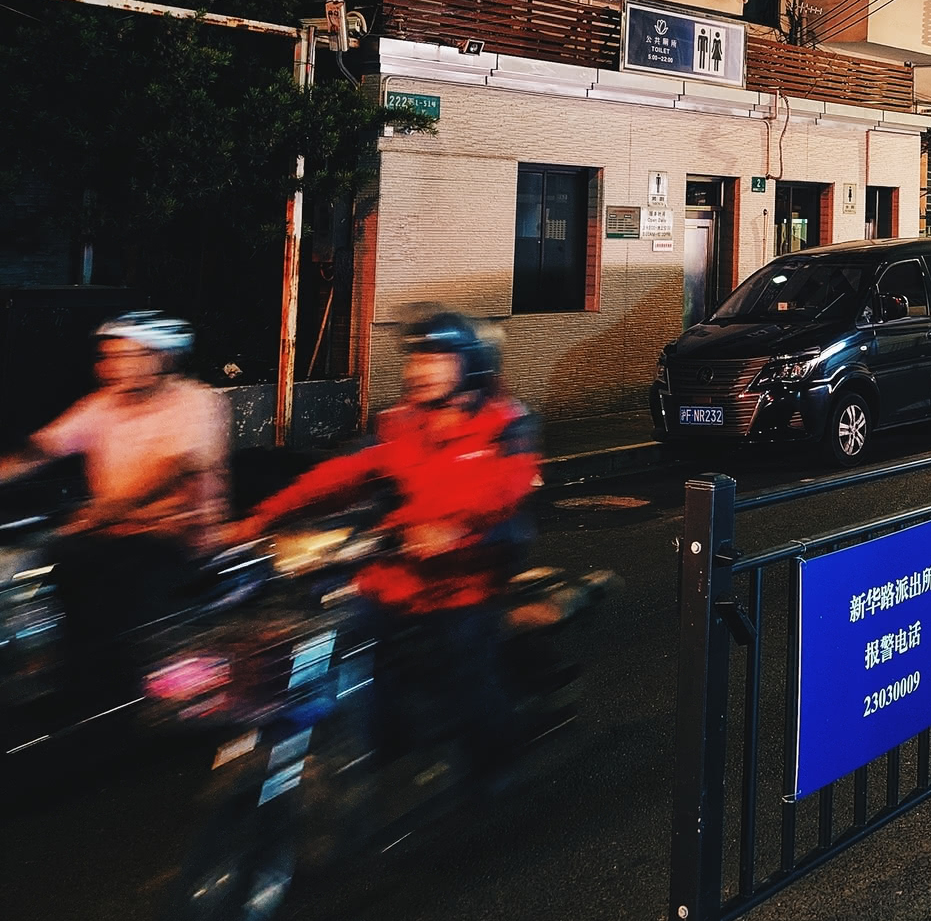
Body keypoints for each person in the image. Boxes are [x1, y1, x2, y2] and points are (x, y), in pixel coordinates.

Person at [237, 312, 539, 785]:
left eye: (437, 360)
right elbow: (341, 476)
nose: (421, 371)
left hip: (467, 577)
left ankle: (493, 763)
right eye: (417, 360)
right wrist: (263, 517)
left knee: (466, 666)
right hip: (396, 573)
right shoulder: (399, 423)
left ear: (468, 365)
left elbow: (505, 491)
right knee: (334, 638)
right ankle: (376, 749)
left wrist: (453, 529)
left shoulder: (505, 422)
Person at [0, 312, 229, 700]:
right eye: (108, 357)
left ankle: (123, 703)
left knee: (103, 587)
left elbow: (175, 469)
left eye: (127, 356)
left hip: (176, 542)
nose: (111, 366)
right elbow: (37, 451)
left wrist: (107, 512)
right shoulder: (101, 405)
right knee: (42, 570)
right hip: (109, 535)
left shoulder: (197, 403)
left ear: (162, 358)